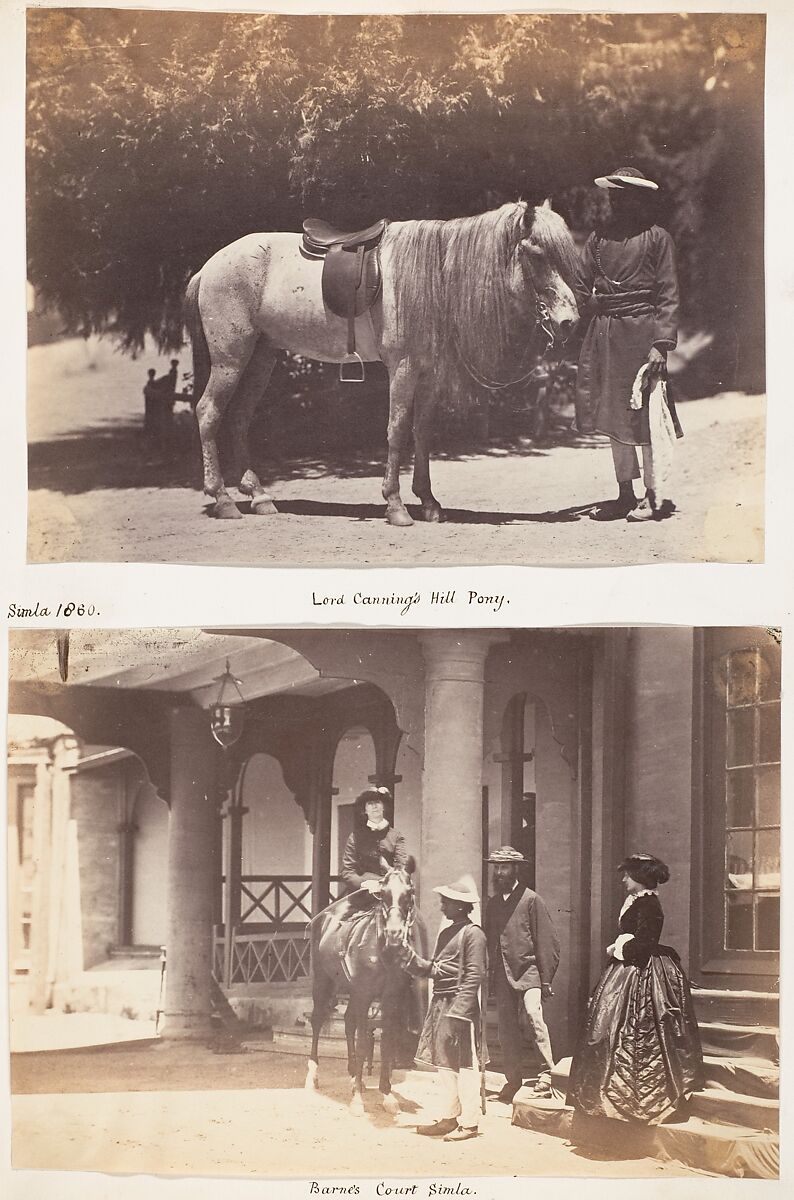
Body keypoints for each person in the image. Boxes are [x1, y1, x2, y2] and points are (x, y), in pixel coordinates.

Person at [574, 166, 683, 522]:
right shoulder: (598, 241)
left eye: (627, 194)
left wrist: (661, 345)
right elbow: (579, 283)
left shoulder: (657, 238)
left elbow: (668, 294)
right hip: (605, 334)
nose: (619, 200)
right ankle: (625, 493)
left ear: (640, 198)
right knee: (611, 414)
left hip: (643, 336)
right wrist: (578, 308)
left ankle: (652, 496)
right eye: (615, 194)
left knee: (644, 417)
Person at [567, 853, 704, 1130]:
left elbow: (644, 946)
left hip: (641, 972)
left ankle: (637, 1098)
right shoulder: (638, 901)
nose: (623, 880)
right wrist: (621, 944)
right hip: (628, 970)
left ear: (640, 879)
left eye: (627, 875)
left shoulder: (650, 904)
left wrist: (617, 948)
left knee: (636, 1032)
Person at [401, 877, 488, 1143]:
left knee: (466, 1067)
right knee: (446, 1066)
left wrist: (458, 1013)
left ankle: (470, 1123)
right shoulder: (447, 933)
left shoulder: (474, 934)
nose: (442, 907)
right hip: (441, 1004)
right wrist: (408, 957)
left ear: (461, 906)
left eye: (446, 902)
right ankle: (450, 1117)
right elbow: (434, 969)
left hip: (461, 1009)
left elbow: (475, 976)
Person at [483, 846, 560, 1104]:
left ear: (515, 869)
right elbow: (488, 940)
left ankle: (548, 1075)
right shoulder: (493, 904)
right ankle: (512, 1080)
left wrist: (546, 978)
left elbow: (547, 942)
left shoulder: (531, 900)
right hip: (502, 975)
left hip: (529, 972)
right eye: (497, 867)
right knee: (506, 1029)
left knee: (533, 1016)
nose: (500, 872)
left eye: (504, 867)